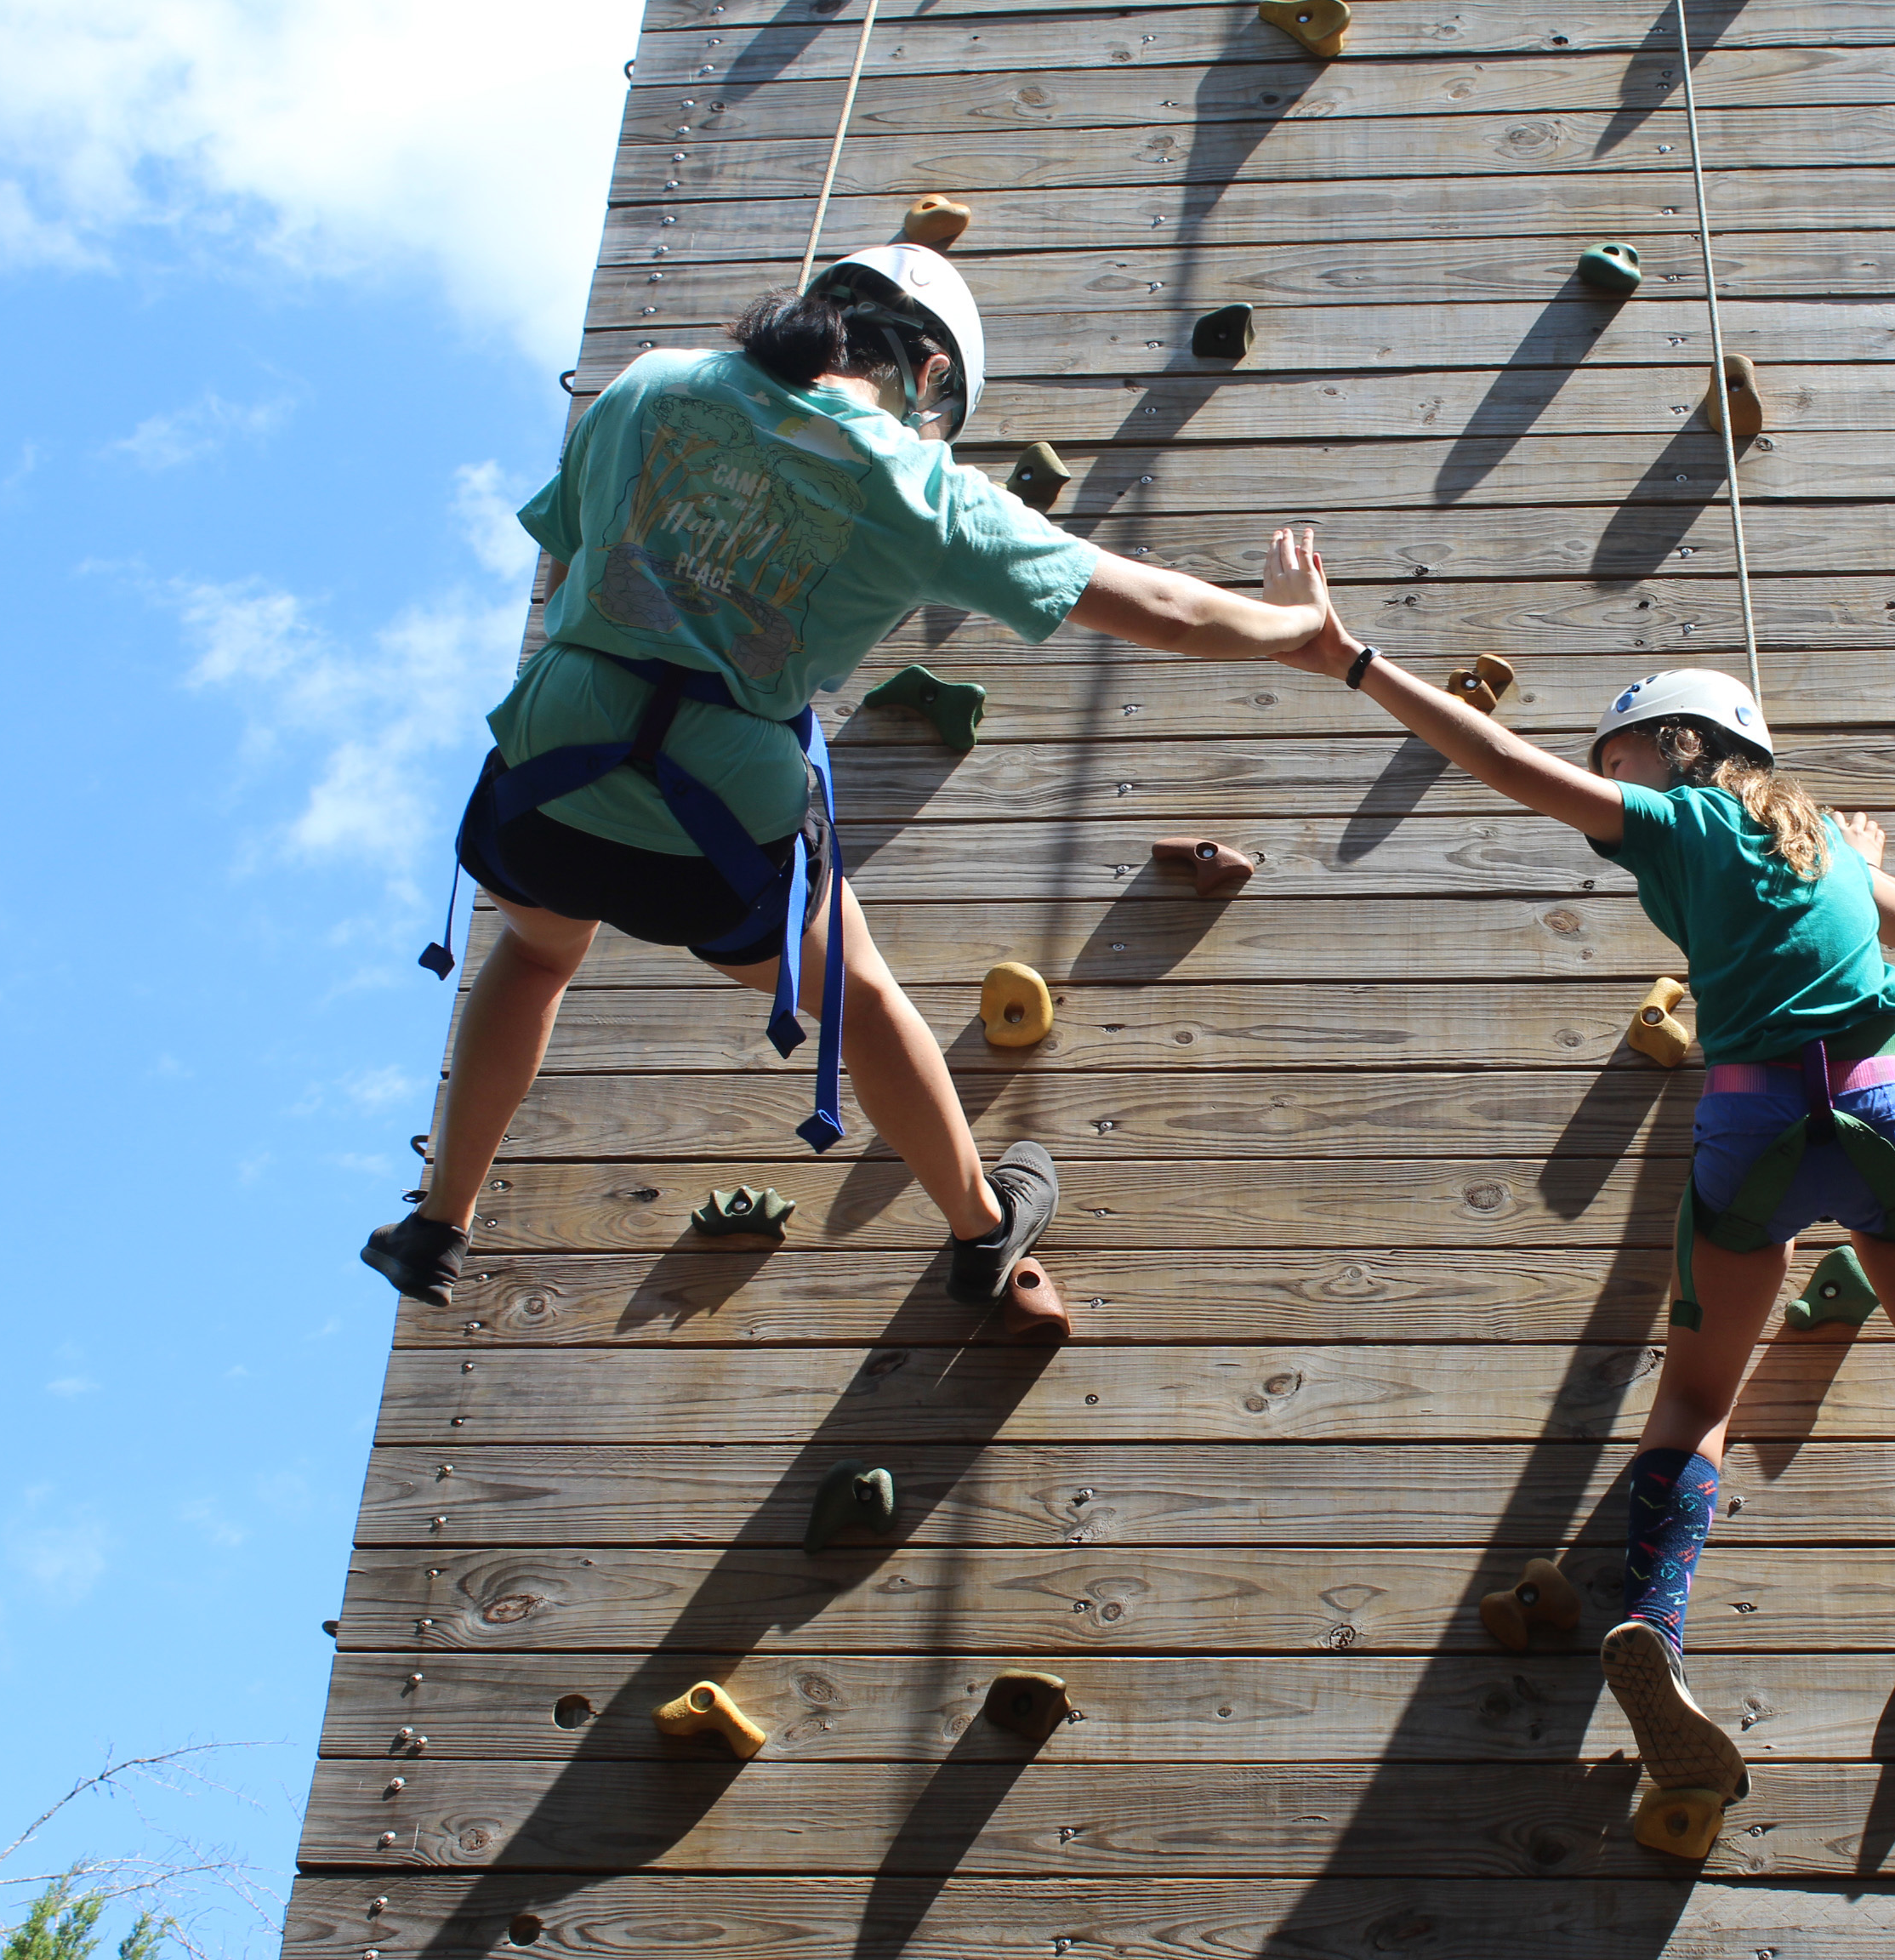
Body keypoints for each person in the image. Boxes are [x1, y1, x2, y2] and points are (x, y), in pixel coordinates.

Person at [1271, 543, 1895, 1798]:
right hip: (1887, 1108)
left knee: (1695, 1402)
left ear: (1678, 746)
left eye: (1618, 754)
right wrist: (1852, 848)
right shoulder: (1825, 849)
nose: (1604, 777)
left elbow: (1508, 770)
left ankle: (1659, 1627)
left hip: (1751, 1125)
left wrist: (1353, 659)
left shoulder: (1683, 821)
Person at [363, 243, 1329, 1317]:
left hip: (552, 767)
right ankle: (982, 1225)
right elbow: (1169, 611)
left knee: (537, 955)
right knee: (859, 997)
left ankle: (438, 1224)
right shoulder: (918, 487)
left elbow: (566, 566)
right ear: (926, 371)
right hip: (719, 808)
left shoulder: (650, 384)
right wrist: (1296, 621)